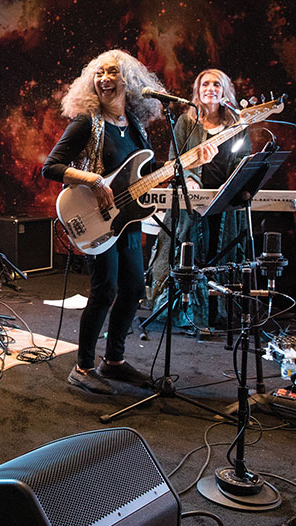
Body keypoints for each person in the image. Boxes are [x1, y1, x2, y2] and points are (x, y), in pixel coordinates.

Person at [41, 49, 217, 395]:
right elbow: (51, 166)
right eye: (99, 73)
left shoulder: (135, 125)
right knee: (105, 289)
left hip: (128, 219)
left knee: (134, 287)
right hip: (94, 216)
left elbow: (148, 175)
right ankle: (83, 366)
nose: (104, 79)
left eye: (112, 73)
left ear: (129, 81)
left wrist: (192, 160)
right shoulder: (86, 122)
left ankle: (115, 360)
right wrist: (93, 180)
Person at [147, 69, 247, 332]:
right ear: (197, 90)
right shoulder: (185, 122)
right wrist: (189, 180)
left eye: (217, 84)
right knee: (187, 254)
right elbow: (174, 160)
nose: (210, 88)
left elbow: (243, 161)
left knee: (220, 252)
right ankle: (186, 313)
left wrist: (232, 184)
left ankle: (217, 313)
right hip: (190, 203)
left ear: (225, 91)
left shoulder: (237, 124)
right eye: (205, 84)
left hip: (225, 203)